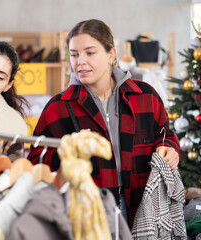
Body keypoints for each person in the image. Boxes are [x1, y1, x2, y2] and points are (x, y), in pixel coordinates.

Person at [27, 19, 180, 227]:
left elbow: (165, 136)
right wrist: (69, 152)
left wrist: (170, 149)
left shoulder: (146, 96)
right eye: (74, 54)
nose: (80, 61)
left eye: (90, 53)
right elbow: (36, 160)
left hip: (144, 207)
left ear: (111, 54)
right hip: (87, 212)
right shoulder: (58, 107)